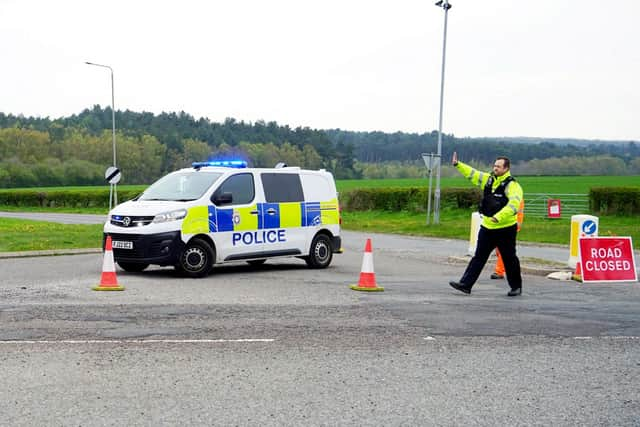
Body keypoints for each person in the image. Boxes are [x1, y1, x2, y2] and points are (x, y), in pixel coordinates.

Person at [449, 152, 524, 296]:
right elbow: (473, 174)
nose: (495, 168)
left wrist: (499, 217)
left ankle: (516, 287)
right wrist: (458, 165)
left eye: (498, 166)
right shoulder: (488, 180)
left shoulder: (513, 186)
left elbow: (514, 205)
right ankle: (465, 284)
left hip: (505, 228)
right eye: (494, 165)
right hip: (488, 227)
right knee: (479, 257)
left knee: (509, 258)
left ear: (506, 168)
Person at [491, 198, 524, 279]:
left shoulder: (515, 197)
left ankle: (499, 272)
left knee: (503, 249)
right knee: (501, 249)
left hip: (509, 226)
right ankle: (512, 270)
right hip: (501, 225)